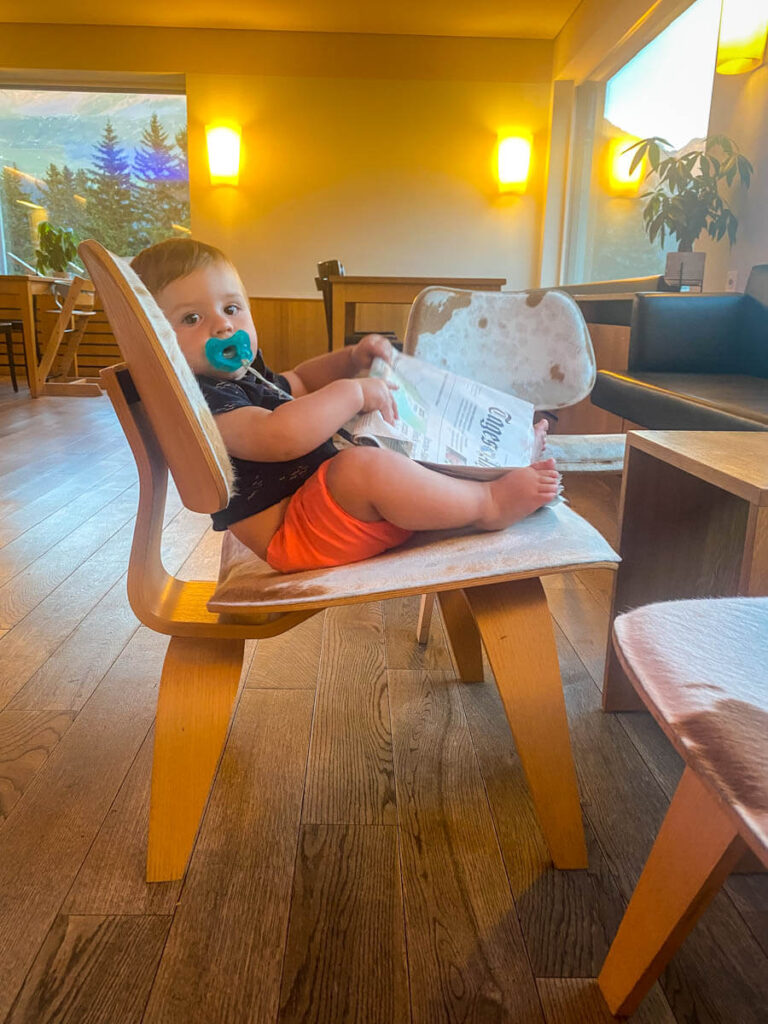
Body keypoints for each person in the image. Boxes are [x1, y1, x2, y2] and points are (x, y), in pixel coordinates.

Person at [131, 239, 559, 573]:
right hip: (295, 532)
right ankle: (489, 504)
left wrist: (350, 359)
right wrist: (352, 393)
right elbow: (278, 435)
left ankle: (504, 456)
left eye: (231, 308)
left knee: (402, 438)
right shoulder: (200, 400)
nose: (223, 325)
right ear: (157, 341)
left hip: (321, 509)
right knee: (362, 468)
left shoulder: (243, 374)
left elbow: (298, 381)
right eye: (192, 318)